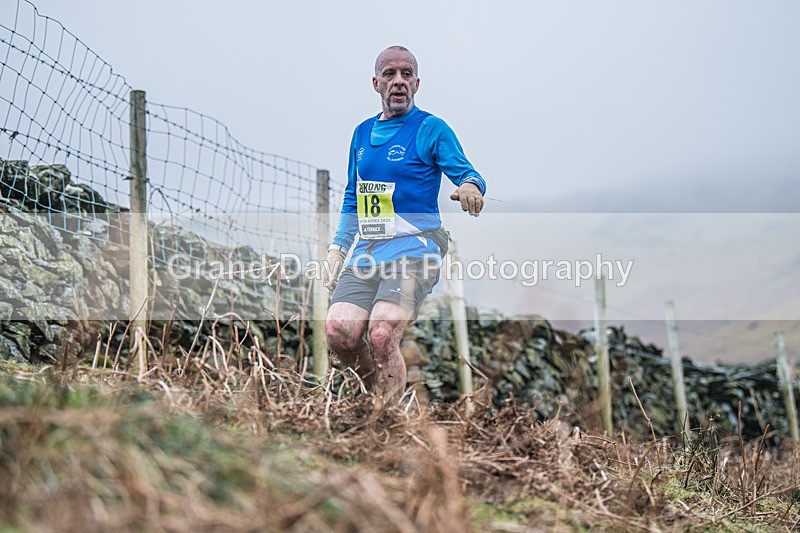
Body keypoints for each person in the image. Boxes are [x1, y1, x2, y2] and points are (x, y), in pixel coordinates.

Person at [324, 45, 486, 402]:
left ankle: (389, 422)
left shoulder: (431, 129)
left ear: (417, 82)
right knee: (339, 331)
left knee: (381, 334)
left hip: (417, 248)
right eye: (389, 74)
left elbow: (467, 173)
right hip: (369, 249)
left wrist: (471, 187)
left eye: (406, 74)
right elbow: (354, 197)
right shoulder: (361, 134)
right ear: (376, 83)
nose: (398, 81)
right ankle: (373, 395)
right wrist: (337, 248)